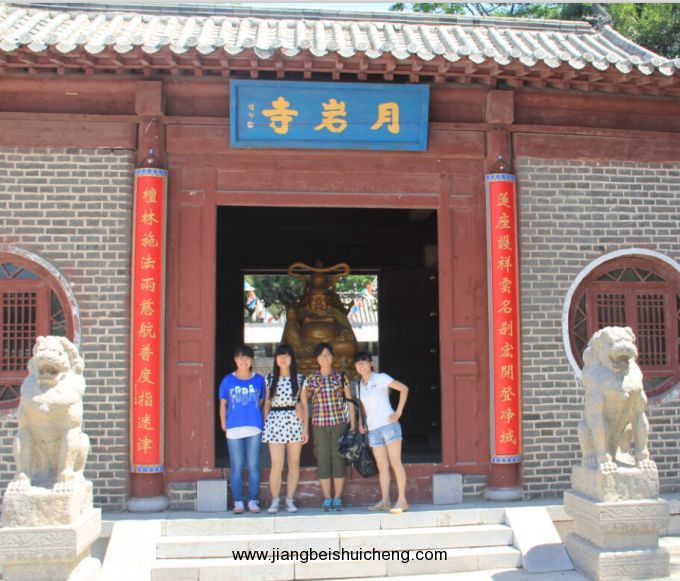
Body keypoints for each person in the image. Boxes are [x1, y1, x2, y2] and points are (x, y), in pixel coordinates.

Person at [300, 342, 355, 511]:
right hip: (319, 424)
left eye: (328, 355)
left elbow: (350, 401)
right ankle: (327, 498)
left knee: (339, 459)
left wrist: (353, 424)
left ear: (332, 357)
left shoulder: (341, 377)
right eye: (321, 355)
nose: (325, 358)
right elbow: (303, 403)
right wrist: (304, 427)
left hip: (339, 423)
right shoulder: (311, 379)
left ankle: (337, 498)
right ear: (316, 359)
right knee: (322, 459)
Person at [352, 351, 409, 514]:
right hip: (373, 429)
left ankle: (402, 500)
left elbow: (404, 388)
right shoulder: (359, 385)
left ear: (371, 363)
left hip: (389, 425)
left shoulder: (380, 378)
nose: (361, 365)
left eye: (364, 361)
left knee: (395, 462)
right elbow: (362, 406)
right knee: (382, 466)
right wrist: (361, 422)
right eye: (358, 363)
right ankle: (385, 501)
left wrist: (399, 411)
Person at [218, 344, 266, 514]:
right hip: (234, 428)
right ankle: (238, 501)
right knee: (236, 467)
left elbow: (262, 402)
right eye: (240, 357)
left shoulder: (259, 380)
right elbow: (223, 403)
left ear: (252, 360)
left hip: (254, 428)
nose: (243, 361)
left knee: (253, 466)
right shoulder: (227, 380)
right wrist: (223, 422)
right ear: (235, 360)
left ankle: (253, 500)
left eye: (247, 357)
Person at [262, 344, 307, 513]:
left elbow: (304, 405)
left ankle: (289, 499)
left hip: (294, 422)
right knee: (277, 464)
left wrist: (305, 430)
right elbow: (267, 404)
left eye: (286, 356)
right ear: (275, 359)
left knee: (294, 463)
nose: (283, 359)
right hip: (275, 421)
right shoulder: (269, 379)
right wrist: (265, 424)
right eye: (280, 355)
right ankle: (275, 500)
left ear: (291, 359)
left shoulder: (300, 379)